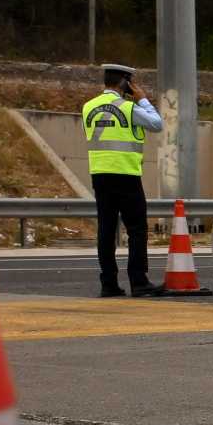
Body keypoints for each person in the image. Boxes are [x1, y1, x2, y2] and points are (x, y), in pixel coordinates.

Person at [84, 63, 167, 299]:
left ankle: (108, 284)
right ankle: (139, 282)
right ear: (125, 83)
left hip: (99, 174)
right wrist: (142, 99)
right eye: (132, 82)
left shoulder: (88, 107)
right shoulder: (129, 108)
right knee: (137, 230)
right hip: (126, 175)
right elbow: (157, 124)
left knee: (106, 230)